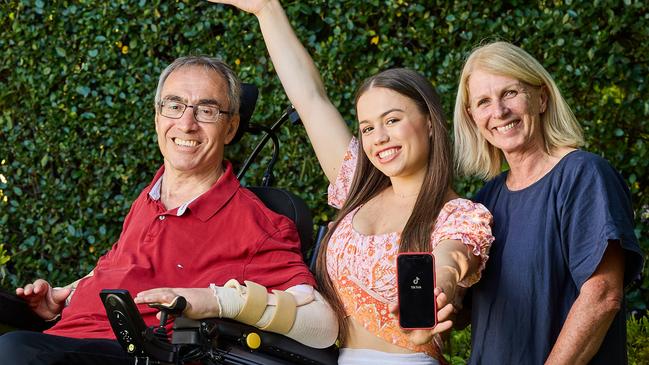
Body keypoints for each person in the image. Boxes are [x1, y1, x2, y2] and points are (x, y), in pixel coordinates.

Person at [0, 56, 337, 365]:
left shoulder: (258, 224)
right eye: (174, 106)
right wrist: (67, 295)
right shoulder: (151, 195)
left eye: (206, 110)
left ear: (231, 127)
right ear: (158, 116)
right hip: (63, 340)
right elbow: (129, 266)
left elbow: (322, 324)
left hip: (139, 354)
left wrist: (214, 300)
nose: (186, 124)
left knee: (14, 351)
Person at [206, 1, 494, 364]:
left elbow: (450, 259)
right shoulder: (357, 189)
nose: (380, 138)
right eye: (368, 128)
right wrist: (266, 10)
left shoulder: (459, 214)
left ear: (431, 123)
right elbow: (310, 100)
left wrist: (434, 292)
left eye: (392, 120)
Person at [453, 41, 644, 364]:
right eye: (484, 101)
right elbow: (465, 313)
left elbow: (602, 296)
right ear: (473, 118)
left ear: (541, 98)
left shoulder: (583, 175)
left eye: (510, 93)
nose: (499, 112)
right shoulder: (484, 203)